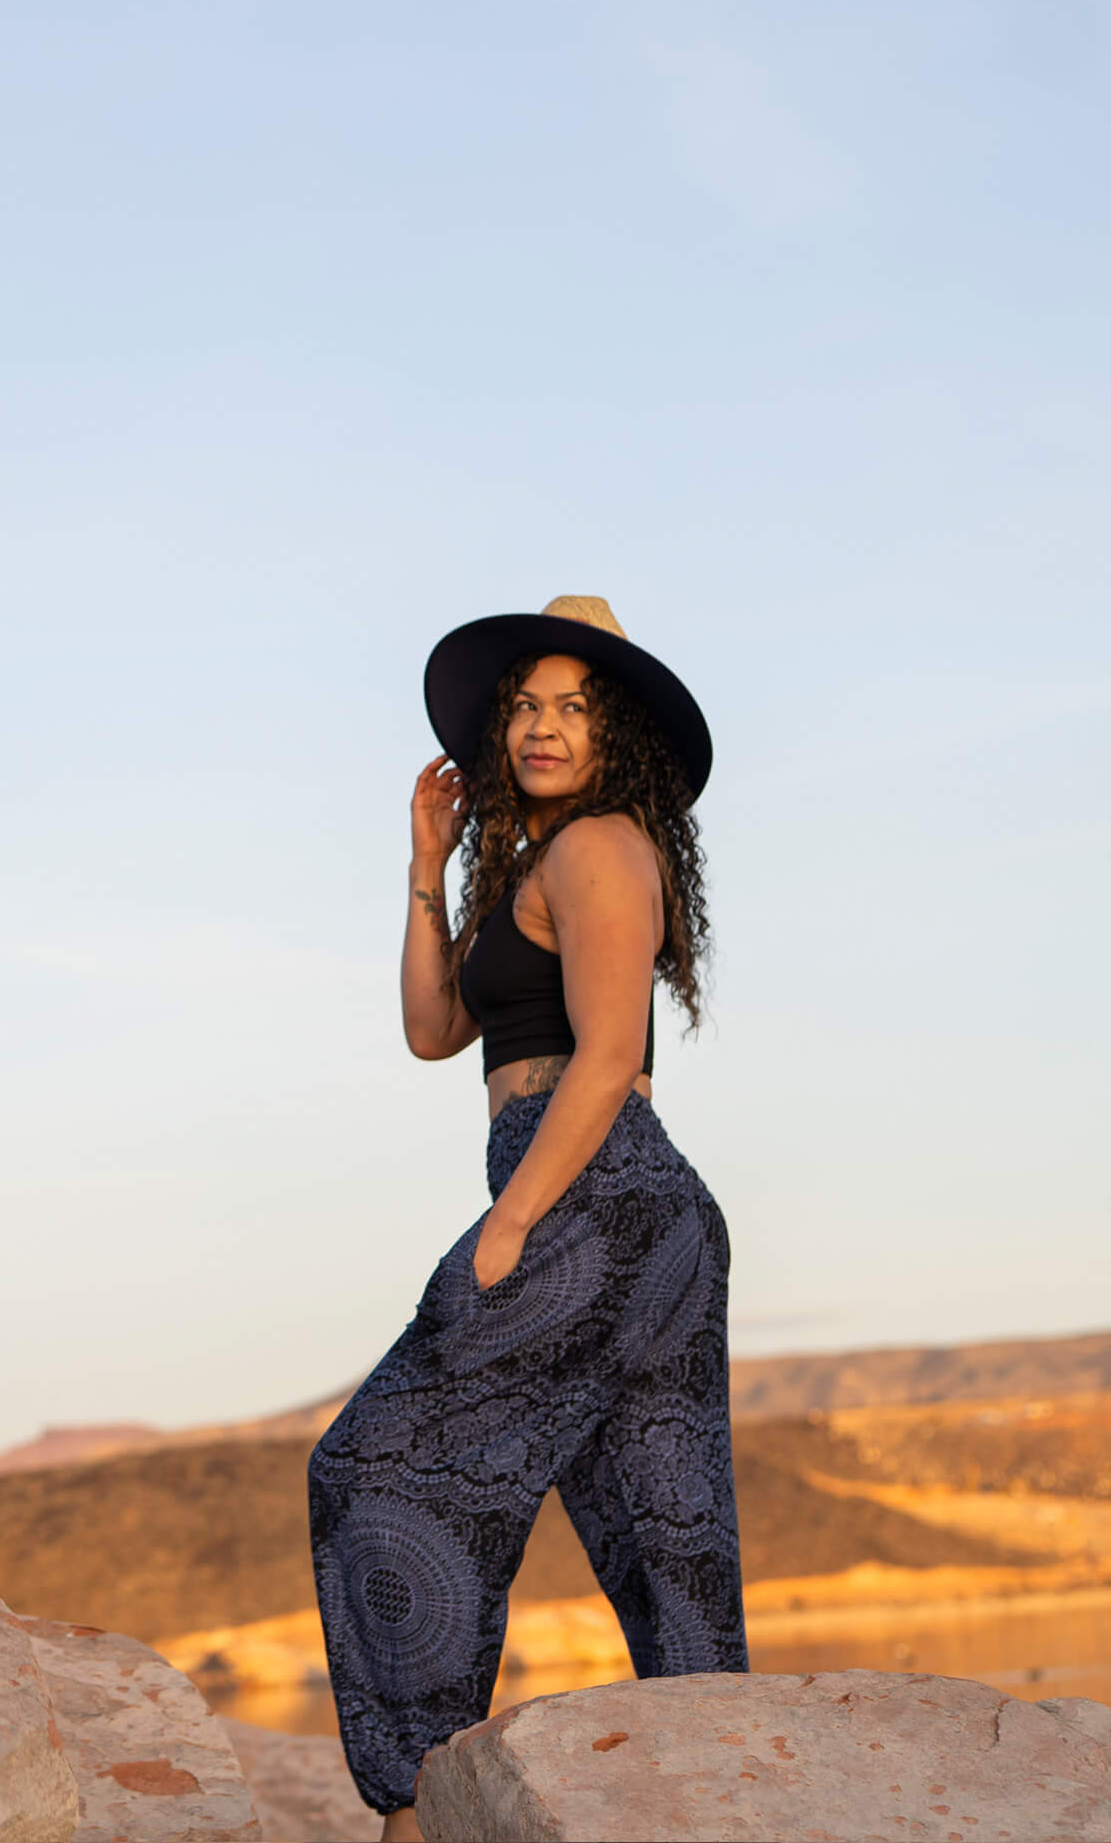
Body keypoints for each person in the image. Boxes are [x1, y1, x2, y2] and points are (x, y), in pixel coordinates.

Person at [307, 595, 749, 1840]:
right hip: (621, 1210)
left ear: (617, 737)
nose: (541, 726)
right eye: (524, 706)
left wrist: (507, 1224)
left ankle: (416, 1802)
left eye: (572, 707)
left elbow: (605, 1056)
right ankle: (733, 1791)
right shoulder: (531, 865)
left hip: (598, 1194)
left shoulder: (599, 843)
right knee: (662, 1541)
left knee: (373, 1463)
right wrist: (425, 863)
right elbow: (431, 1029)